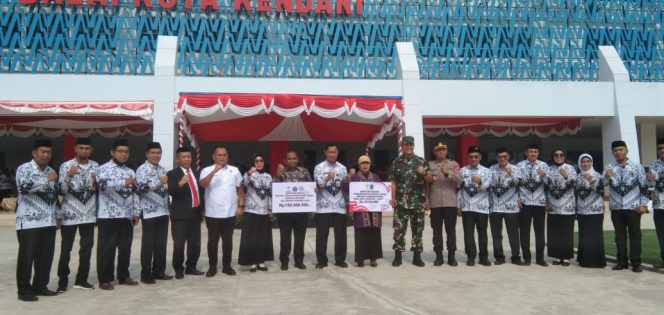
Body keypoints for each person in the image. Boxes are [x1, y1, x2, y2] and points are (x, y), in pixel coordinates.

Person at [15, 139, 58, 301]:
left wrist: (57, 216)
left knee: (45, 256)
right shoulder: (24, 169)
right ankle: (24, 290)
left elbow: (53, 197)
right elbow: (24, 189)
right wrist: (47, 180)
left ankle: (40, 286)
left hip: (48, 221)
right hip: (28, 222)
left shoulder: (50, 170)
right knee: (27, 257)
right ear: (34, 153)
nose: (46, 155)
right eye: (43, 152)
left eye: (49, 152)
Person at [96, 139, 140, 290]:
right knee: (107, 248)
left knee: (125, 248)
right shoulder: (103, 169)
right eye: (120, 151)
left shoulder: (130, 171)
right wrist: (123, 183)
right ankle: (105, 279)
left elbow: (135, 193)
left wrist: (135, 212)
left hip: (126, 216)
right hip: (108, 216)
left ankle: (123, 276)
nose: (123, 154)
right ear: (112, 152)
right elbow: (101, 186)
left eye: (126, 152)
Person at [56, 137, 98, 293]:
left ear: (91, 150)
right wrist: (68, 175)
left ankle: (82, 279)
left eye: (87, 148)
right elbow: (61, 191)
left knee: (86, 248)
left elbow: (97, 189)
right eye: (81, 148)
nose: (84, 151)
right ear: (75, 149)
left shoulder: (95, 166)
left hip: (89, 214)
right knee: (66, 249)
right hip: (69, 215)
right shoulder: (66, 166)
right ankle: (62, 281)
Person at [603, 140, 648, 272]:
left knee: (635, 235)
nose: (618, 152)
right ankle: (621, 261)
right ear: (612, 152)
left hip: (633, 207)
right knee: (619, 236)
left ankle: (636, 262)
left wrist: (644, 205)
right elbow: (601, 184)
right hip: (616, 207)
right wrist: (606, 176)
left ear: (626, 150)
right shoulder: (609, 167)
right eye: (615, 150)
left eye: (621, 149)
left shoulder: (636, 166)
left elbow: (644, 187)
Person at [199, 146, 244, 277]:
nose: (222, 157)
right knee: (212, 241)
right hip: (212, 212)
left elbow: (240, 188)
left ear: (227, 156)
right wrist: (214, 171)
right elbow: (203, 184)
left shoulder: (234, 170)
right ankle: (212, 266)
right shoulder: (206, 170)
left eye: (224, 155)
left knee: (228, 241)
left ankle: (227, 266)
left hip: (230, 212)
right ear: (214, 157)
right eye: (219, 155)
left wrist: (241, 205)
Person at [389, 136, 430, 267]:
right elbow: (393, 181)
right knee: (399, 229)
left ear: (413, 146)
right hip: (401, 202)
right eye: (406, 145)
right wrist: (393, 198)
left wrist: (424, 172)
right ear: (402, 145)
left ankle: (417, 256)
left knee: (418, 229)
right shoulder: (396, 162)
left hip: (418, 202)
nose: (408, 147)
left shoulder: (421, 161)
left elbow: (430, 181)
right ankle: (398, 256)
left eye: (410, 145)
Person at [136, 142, 172, 284]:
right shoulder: (141, 169)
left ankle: (159, 271)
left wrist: (165, 186)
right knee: (148, 244)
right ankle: (146, 274)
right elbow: (142, 189)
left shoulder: (162, 168)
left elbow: (166, 188)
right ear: (147, 154)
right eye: (153, 153)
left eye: (158, 153)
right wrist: (159, 182)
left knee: (161, 244)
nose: (156, 155)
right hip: (149, 212)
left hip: (163, 211)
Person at [166, 146, 203, 279]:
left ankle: (191, 267)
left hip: (195, 213)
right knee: (179, 244)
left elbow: (199, 192)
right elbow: (169, 190)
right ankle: (178, 269)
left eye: (189, 157)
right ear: (177, 159)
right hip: (180, 215)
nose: (187, 159)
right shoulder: (172, 174)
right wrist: (180, 183)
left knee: (195, 243)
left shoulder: (195, 172)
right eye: (184, 157)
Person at [273, 151, 313, 271]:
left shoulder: (304, 171)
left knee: (300, 237)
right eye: (289, 159)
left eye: (294, 158)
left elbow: (311, 186)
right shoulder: (281, 172)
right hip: (285, 212)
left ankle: (299, 261)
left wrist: (313, 190)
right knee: (285, 238)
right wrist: (277, 174)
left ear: (297, 159)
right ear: (285, 160)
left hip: (301, 210)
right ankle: (284, 261)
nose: (292, 161)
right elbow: (274, 188)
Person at [425, 142, 462, 266]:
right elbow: (426, 184)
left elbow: (460, 180)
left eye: (443, 149)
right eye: (438, 150)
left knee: (450, 231)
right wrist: (426, 201)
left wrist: (448, 173)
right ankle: (439, 256)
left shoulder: (453, 164)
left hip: (450, 202)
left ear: (446, 151)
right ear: (434, 152)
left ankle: (451, 256)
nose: (440, 152)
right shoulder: (429, 165)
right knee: (436, 231)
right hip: (435, 202)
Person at [314, 143, 349, 269]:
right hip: (323, 206)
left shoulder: (343, 168)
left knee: (341, 235)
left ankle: (340, 259)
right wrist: (327, 178)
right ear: (325, 152)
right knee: (322, 235)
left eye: (334, 152)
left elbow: (344, 187)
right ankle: (321, 261)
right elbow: (319, 184)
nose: (332, 154)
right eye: (330, 152)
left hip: (339, 206)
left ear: (338, 153)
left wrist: (349, 180)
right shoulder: (319, 167)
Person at [238, 154, 274, 272]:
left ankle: (261, 261)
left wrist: (271, 209)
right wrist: (249, 173)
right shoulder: (249, 175)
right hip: (251, 210)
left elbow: (270, 193)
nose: (259, 163)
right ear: (253, 163)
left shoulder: (268, 176)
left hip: (264, 211)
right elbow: (243, 184)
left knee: (263, 237)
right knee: (251, 237)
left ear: (264, 163)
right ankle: (252, 262)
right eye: (256, 161)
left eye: (261, 161)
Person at [516, 143, 549, 266]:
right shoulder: (519, 166)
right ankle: (527, 258)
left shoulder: (543, 166)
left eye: (535, 152)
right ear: (526, 153)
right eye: (530, 152)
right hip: (524, 203)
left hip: (539, 203)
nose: (533, 154)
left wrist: (543, 175)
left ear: (538, 153)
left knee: (539, 231)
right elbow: (516, 185)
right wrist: (517, 199)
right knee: (524, 231)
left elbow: (549, 184)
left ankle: (540, 258)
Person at [458, 146, 492, 266]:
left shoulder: (487, 171)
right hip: (467, 207)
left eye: (476, 156)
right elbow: (459, 190)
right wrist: (458, 205)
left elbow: (488, 187)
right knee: (468, 234)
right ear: (468, 157)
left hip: (482, 207)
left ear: (480, 157)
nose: (473, 159)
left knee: (482, 234)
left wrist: (480, 182)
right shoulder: (462, 171)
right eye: (471, 157)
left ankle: (483, 257)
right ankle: (471, 256)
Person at [488, 147, 522, 265]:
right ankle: (499, 257)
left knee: (513, 234)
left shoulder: (515, 169)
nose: (502, 159)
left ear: (509, 157)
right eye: (499, 157)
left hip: (511, 206)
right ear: (496, 157)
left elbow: (519, 183)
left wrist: (511, 174)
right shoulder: (491, 169)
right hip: (495, 206)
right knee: (496, 234)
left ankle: (516, 257)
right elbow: (487, 186)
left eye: (504, 157)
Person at [348, 155, 383, 267]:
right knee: (361, 235)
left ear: (370, 164)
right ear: (359, 165)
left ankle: (373, 258)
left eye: (367, 163)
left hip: (374, 212)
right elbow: (345, 188)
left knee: (373, 234)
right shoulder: (354, 178)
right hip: (360, 212)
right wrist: (348, 176)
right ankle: (360, 259)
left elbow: (382, 192)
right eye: (362, 163)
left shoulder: (376, 177)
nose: (365, 165)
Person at [544, 149, 577, 266]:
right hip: (553, 205)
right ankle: (557, 256)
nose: (558, 157)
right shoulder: (549, 169)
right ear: (552, 156)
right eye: (556, 155)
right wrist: (546, 201)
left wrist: (566, 176)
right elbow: (546, 186)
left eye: (561, 155)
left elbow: (575, 184)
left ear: (565, 156)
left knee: (566, 232)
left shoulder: (570, 168)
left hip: (567, 205)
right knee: (554, 232)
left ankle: (566, 256)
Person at [575, 153, 606, 268]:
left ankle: (597, 261)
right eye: (583, 162)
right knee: (584, 236)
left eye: (588, 161)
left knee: (595, 235)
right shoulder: (577, 177)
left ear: (592, 163)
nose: (586, 164)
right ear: (580, 163)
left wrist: (592, 181)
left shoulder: (598, 175)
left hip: (595, 211)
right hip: (582, 211)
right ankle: (585, 260)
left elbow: (601, 192)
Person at [648, 138, 664, 269]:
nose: (662, 150)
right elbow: (651, 184)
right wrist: (650, 180)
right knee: (661, 234)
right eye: (660, 148)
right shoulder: (653, 164)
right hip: (659, 205)